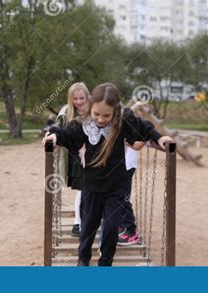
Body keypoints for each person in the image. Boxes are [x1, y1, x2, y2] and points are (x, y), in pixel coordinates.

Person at [43, 83, 173, 266]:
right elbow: (65, 133)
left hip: (116, 186)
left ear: (115, 110)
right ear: (90, 107)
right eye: (97, 114)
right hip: (92, 185)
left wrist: (159, 138)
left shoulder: (122, 120)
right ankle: (83, 260)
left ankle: (105, 262)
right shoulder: (84, 123)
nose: (101, 119)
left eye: (106, 115)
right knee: (88, 226)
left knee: (111, 228)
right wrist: (54, 136)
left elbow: (144, 127)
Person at [56, 82, 89, 237]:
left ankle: (94, 219)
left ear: (87, 96)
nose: (79, 102)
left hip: (93, 155)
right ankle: (78, 223)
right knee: (83, 189)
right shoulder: (65, 113)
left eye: (82, 98)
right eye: (75, 98)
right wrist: (52, 136)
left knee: (94, 189)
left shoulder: (95, 110)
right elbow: (59, 132)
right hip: (74, 157)